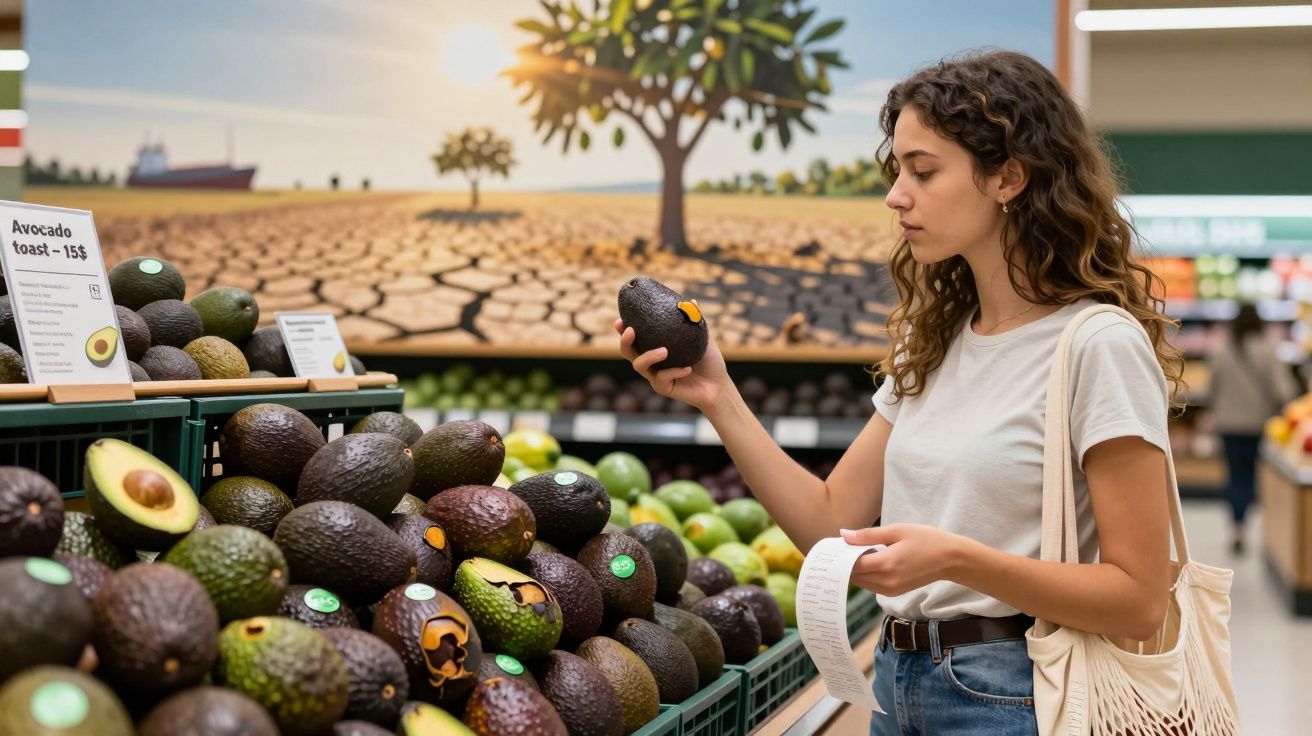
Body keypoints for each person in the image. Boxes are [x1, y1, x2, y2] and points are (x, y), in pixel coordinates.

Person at [615, 49, 1184, 735]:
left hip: (1020, 693)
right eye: (897, 172)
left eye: (924, 170)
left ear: (1008, 177)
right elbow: (831, 524)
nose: (895, 195)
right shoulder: (937, 342)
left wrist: (954, 558)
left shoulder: (1097, 344)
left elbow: (1139, 597)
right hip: (900, 680)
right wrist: (718, 396)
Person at [1207, 302, 1299, 554]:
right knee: (1258, 476)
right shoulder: (1268, 349)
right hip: (1260, 424)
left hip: (1228, 424)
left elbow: (1211, 389)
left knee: (1235, 476)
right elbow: (1284, 390)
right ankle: (1266, 529)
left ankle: (1237, 528)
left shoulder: (1221, 349)